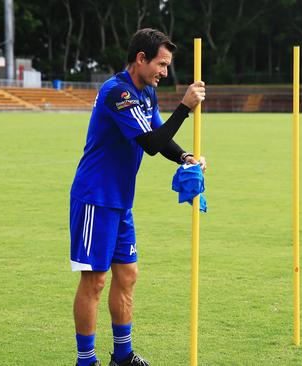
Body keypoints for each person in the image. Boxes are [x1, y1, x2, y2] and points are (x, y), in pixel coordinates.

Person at [69, 28, 206, 366]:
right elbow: (149, 144)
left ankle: (122, 355)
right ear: (141, 59)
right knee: (95, 280)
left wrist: (185, 157)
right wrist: (185, 108)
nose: (165, 72)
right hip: (95, 199)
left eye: (168, 65)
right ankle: (86, 361)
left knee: (127, 275)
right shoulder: (118, 93)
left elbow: (159, 136)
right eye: (161, 64)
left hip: (120, 201)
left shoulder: (146, 94)